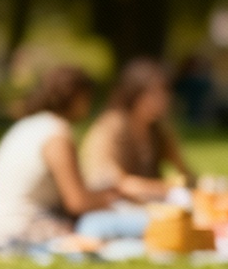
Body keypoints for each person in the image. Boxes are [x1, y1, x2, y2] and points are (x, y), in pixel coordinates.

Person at [0, 65, 150, 246]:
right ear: (77, 97)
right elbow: (77, 202)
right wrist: (112, 197)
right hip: (22, 232)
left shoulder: (28, 125)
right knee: (111, 222)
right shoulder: (56, 135)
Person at [80, 58, 196, 200]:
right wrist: (168, 189)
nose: (162, 99)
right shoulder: (111, 127)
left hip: (148, 204)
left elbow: (186, 172)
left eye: (165, 92)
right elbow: (116, 183)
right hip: (113, 206)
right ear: (133, 93)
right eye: (154, 93)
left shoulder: (157, 129)